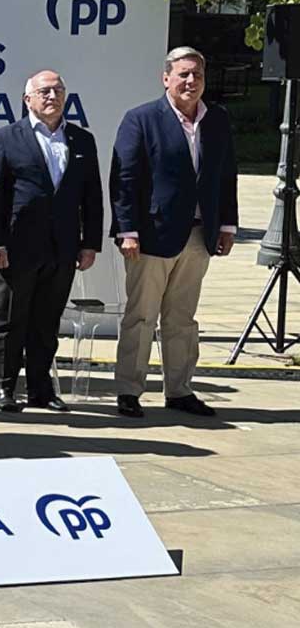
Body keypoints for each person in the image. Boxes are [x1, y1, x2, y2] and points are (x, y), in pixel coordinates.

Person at [110, 47, 238, 418]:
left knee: (182, 319)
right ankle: (129, 391)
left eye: (197, 74)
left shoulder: (216, 120)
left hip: (199, 236)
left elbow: (225, 174)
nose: (191, 81)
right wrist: (127, 230)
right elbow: (125, 179)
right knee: (141, 316)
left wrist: (227, 224)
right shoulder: (142, 119)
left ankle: (179, 390)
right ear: (165, 78)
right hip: (152, 236)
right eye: (183, 74)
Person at [0, 69, 103, 414]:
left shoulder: (81, 140)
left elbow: (91, 195)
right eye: (45, 91)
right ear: (27, 100)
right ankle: (3, 388)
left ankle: (40, 388)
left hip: (61, 248)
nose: (52, 97)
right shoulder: (6, 138)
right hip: (15, 249)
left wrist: (89, 241)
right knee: (8, 320)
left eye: (58, 91)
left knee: (46, 322)